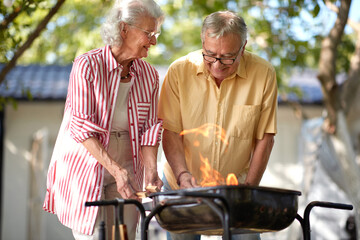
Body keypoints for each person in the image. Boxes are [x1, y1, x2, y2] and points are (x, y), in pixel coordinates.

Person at [43, 1, 164, 240]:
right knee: (93, 235)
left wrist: (151, 169)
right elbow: (81, 126)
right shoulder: (87, 65)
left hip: (130, 163)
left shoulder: (149, 75)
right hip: (89, 161)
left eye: (155, 34)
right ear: (124, 29)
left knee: (125, 236)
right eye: (149, 34)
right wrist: (116, 171)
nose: (154, 41)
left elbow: (150, 128)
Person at [158, 10, 277, 240]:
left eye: (228, 57)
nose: (217, 65)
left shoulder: (264, 74)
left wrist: (248, 190)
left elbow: (265, 139)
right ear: (203, 42)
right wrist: (182, 176)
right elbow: (170, 131)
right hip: (181, 186)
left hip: (237, 189)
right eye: (210, 55)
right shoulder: (178, 71)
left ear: (243, 48)